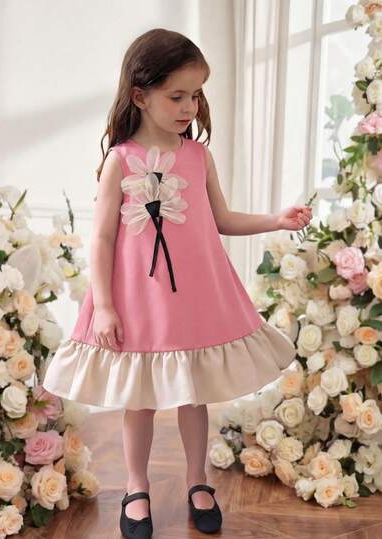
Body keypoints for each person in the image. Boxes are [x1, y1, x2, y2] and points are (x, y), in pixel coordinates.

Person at [42, 27, 312, 539]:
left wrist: (276, 220)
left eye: (196, 95)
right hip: (139, 301)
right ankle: (137, 487)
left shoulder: (198, 156)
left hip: (196, 296)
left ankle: (197, 481)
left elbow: (222, 219)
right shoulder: (120, 160)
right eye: (177, 96)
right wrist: (104, 306)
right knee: (138, 398)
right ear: (140, 96)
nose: (190, 107)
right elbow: (102, 239)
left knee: (193, 394)